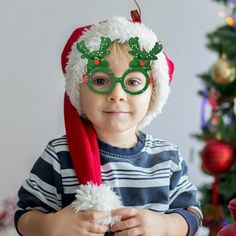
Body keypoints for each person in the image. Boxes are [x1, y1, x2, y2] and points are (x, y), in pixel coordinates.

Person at [15, 16, 202, 236]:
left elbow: (193, 215)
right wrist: (52, 226)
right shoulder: (59, 156)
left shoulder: (167, 158)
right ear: (78, 91)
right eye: (101, 81)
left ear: (153, 93)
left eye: (133, 82)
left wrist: (165, 226)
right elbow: (24, 216)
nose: (116, 94)